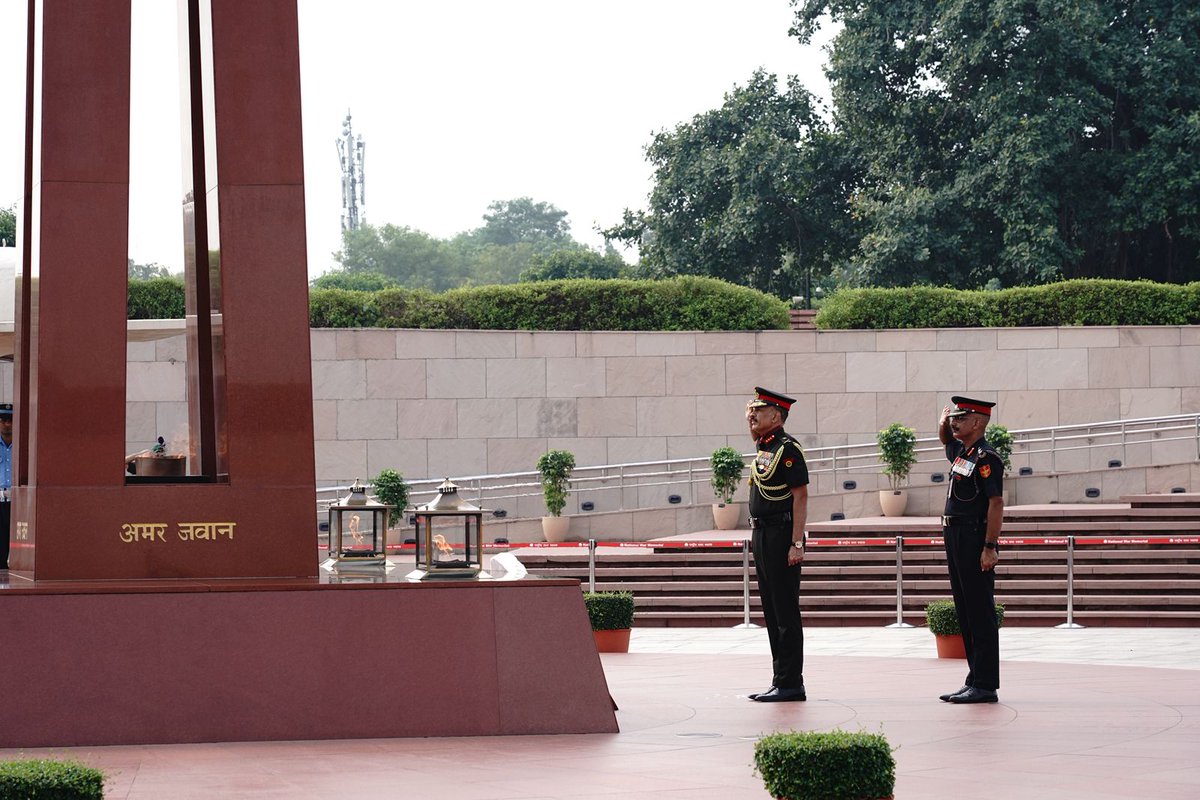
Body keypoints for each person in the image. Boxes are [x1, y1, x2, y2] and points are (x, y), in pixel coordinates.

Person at [937, 395, 1004, 704]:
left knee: (979, 610)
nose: (955, 422)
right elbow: (947, 444)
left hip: (974, 536)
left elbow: (995, 503)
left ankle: (986, 684)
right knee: (965, 609)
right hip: (955, 535)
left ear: (978, 422)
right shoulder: (965, 453)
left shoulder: (987, 457)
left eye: (961, 418)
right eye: (954, 418)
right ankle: (974, 678)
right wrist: (943, 426)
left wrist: (990, 546)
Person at [744, 387, 809, 703]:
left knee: (784, 610)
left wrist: (797, 542)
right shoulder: (766, 446)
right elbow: (755, 438)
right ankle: (779, 678)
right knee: (771, 609)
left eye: (759, 410)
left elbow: (801, 496)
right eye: (751, 410)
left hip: (782, 535)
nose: (753, 415)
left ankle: (791, 682)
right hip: (761, 535)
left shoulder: (788, 449)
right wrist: (750, 423)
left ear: (776, 415)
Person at [0, 403, 12, 569]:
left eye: (10, 420)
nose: (7, 423)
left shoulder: (24, 444)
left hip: (19, 500)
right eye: (3, 420)